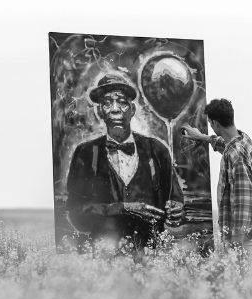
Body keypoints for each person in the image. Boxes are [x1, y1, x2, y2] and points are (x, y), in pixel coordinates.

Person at [66, 73, 184, 252]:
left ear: (132, 110)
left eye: (121, 102)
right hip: (104, 256)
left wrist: (176, 212)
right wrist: (122, 208)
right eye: (106, 103)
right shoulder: (85, 153)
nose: (114, 109)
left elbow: (175, 202)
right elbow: (76, 214)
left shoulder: (158, 150)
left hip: (151, 256)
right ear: (99, 112)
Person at [182, 98, 252, 249]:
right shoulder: (243, 140)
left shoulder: (236, 156)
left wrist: (236, 243)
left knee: (240, 273)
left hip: (240, 242)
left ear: (216, 123)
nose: (211, 127)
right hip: (241, 238)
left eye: (211, 123)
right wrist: (202, 137)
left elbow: (246, 198)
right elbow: (226, 144)